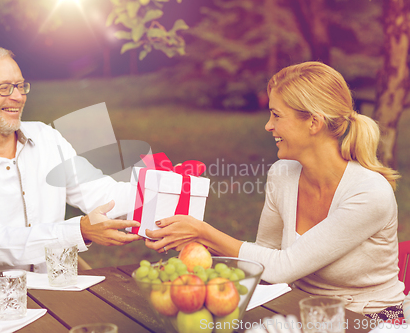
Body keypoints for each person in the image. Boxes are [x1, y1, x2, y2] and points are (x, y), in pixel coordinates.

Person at [145, 61, 405, 319]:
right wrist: (192, 238)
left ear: (314, 122)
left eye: (276, 115)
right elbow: (263, 259)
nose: (268, 125)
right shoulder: (283, 174)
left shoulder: (369, 193)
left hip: (371, 318)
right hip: (302, 311)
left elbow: (283, 267)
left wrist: (204, 232)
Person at [0, 45, 141, 287]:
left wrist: (173, 188)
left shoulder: (47, 137)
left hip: (57, 296)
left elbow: (102, 194)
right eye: (4, 87)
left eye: (20, 85)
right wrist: (80, 230)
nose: (18, 96)